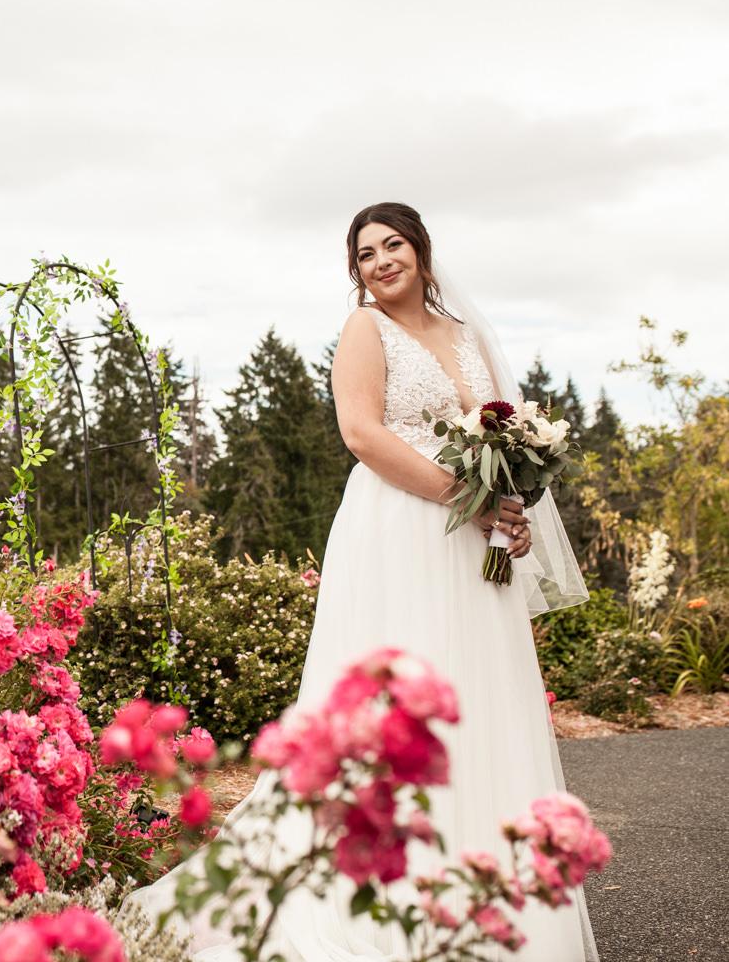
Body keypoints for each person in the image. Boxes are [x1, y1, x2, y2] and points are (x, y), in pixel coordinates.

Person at [124, 202, 596, 960]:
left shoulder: (468, 337)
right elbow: (362, 434)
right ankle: (377, 894)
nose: (380, 260)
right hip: (398, 532)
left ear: (421, 250)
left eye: (393, 244)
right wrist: (467, 498)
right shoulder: (364, 331)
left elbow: (495, 437)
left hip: (472, 539)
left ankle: (479, 884)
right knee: (392, 705)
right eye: (365, 252)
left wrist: (510, 506)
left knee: (477, 696)